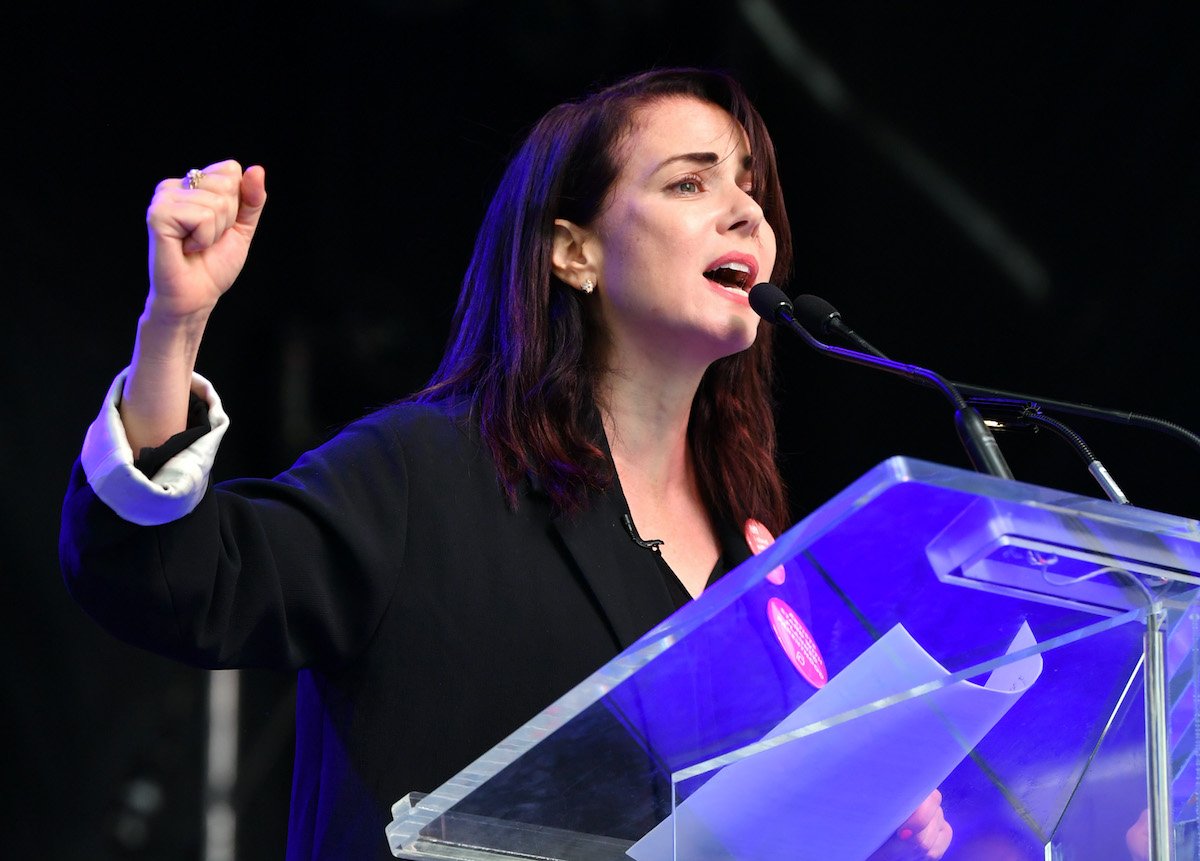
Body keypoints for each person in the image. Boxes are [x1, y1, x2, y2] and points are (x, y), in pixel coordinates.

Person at [60, 69, 951, 860]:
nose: (746, 211)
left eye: (750, 188)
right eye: (689, 180)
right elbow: (168, 576)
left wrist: (873, 819)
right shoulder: (428, 474)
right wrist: (172, 325)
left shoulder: (766, 560)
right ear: (575, 252)